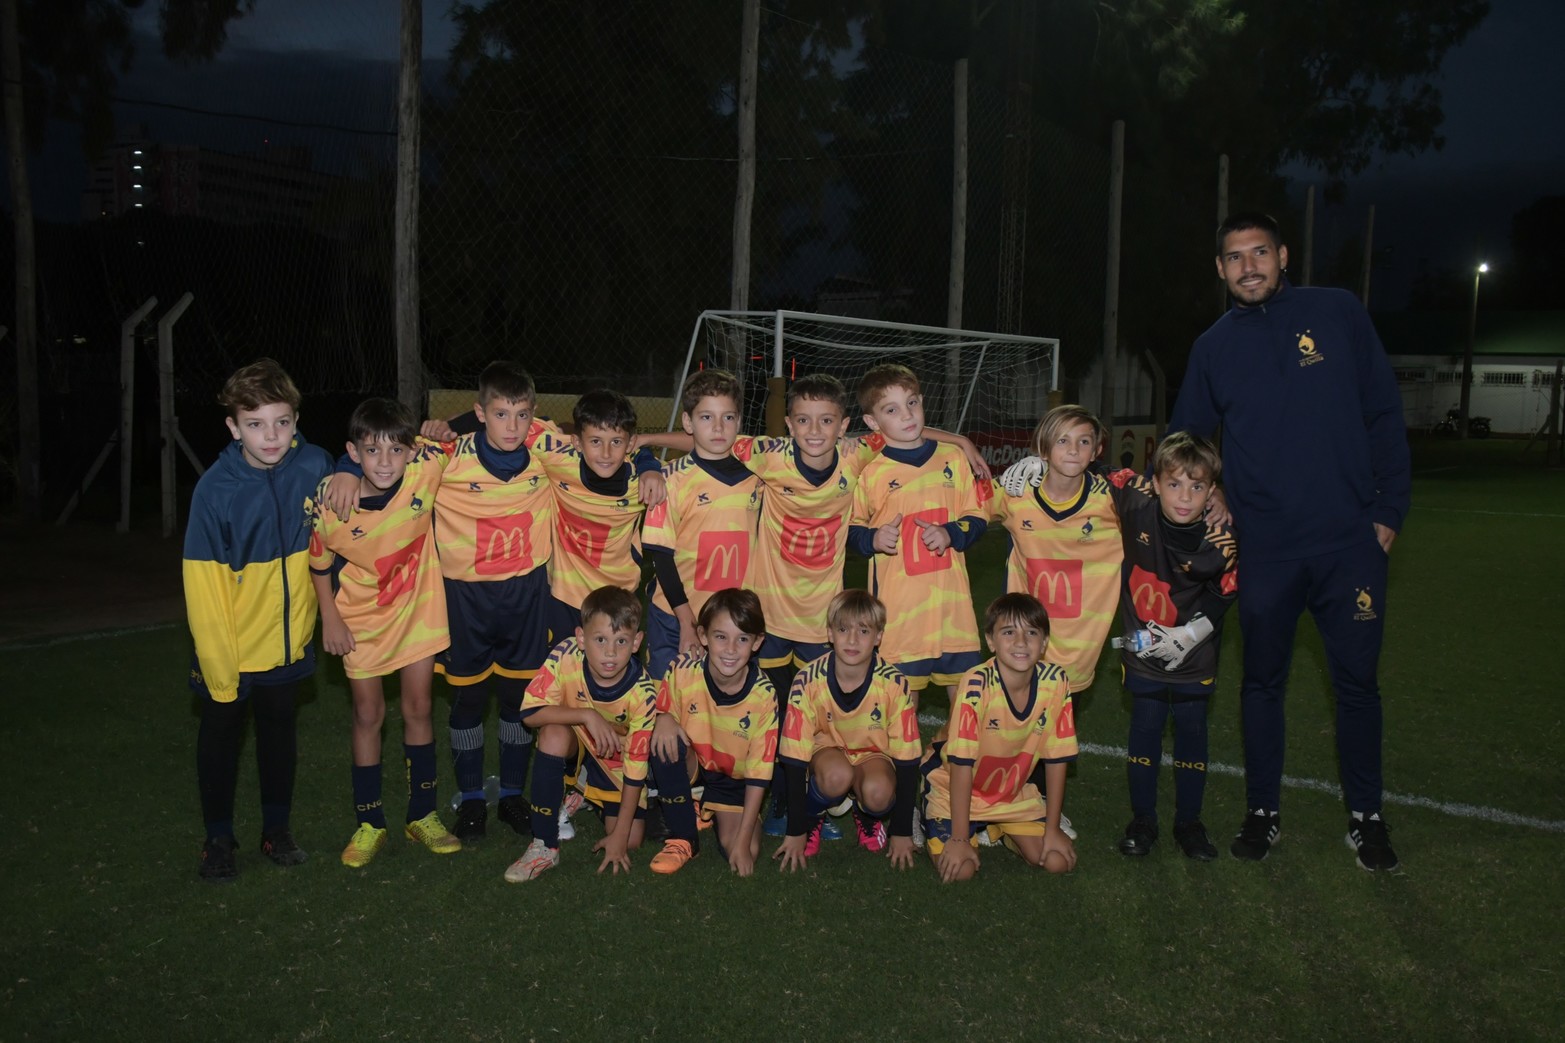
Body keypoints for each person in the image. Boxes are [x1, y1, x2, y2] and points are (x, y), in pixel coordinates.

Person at [1168, 210, 1410, 871]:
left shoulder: (1336, 313)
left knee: (1356, 684)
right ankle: (1261, 811)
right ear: (1220, 269)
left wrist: (1388, 508)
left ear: (1281, 256)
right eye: (1234, 257)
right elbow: (1183, 441)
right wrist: (1211, 491)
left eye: (1259, 252)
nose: (1249, 265)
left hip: (1347, 542)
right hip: (1266, 548)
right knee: (1261, 684)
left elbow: (1383, 411)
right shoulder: (1212, 345)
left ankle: (1366, 817)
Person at [184, 358, 332, 881]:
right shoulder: (215, 491)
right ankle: (218, 838)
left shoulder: (315, 465)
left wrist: (352, 480)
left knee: (277, 732)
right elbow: (203, 591)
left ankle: (277, 829)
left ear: (295, 419)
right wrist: (221, 671)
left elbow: (352, 488)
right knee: (222, 734)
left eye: (281, 422)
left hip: (288, 645)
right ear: (232, 427)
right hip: (231, 648)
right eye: (255, 424)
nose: (270, 436)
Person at [309, 398, 462, 868]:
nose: (385, 462)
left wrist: (442, 428)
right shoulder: (332, 500)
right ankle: (370, 821)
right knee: (368, 714)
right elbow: (318, 562)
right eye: (371, 451)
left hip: (419, 612)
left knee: (419, 708)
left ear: (411, 451)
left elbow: (471, 431)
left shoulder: (425, 468)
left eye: (396, 450)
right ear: (352, 453)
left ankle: (422, 815)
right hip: (361, 623)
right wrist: (329, 618)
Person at [1103, 432, 1238, 861]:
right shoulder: (1136, 497)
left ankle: (1189, 823)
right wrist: (1035, 471)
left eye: (1197, 487)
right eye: (1174, 484)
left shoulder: (1220, 542)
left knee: (1192, 735)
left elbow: (1224, 595)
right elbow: (1088, 467)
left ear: (1211, 492)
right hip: (1143, 655)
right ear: (1155, 482)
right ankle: (1143, 820)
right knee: (1144, 730)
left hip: (1193, 655)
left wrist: (1187, 636)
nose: (1185, 497)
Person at [848, 364, 990, 697]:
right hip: (900, 624)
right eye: (891, 410)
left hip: (954, 619)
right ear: (872, 422)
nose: (907, 415)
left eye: (912, 403)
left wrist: (951, 533)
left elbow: (978, 517)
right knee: (900, 713)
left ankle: (945, 748)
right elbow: (850, 530)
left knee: (968, 712)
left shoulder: (953, 458)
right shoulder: (868, 469)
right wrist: (872, 538)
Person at [503, 586, 660, 882]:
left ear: (637, 642)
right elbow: (529, 712)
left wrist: (619, 836)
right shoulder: (565, 654)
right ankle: (544, 845)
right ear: (580, 637)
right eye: (600, 640)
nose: (610, 652)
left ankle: (583, 792)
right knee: (552, 733)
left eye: (621, 641)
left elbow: (636, 770)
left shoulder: (643, 694)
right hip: (576, 744)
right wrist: (587, 715)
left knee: (629, 840)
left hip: (614, 762)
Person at [919, 593, 1078, 882]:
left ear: (1044, 643)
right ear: (991, 641)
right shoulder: (976, 684)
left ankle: (999, 827)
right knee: (962, 871)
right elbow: (961, 765)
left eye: (1031, 632)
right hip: (951, 789)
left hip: (1010, 794)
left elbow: (1057, 759)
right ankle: (933, 817)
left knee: (1057, 862)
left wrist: (1053, 828)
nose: (1021, 642)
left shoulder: (1056, 682)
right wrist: (958, 839)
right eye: (1009, 632)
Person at [772, 590, 922, 871]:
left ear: (878, 637)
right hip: (827, 754)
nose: (852, 640)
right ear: (830, 633)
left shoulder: (894, 684)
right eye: (843, 629)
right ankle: (813, 814)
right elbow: (792, 760)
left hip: (873, 755)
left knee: (878, 793)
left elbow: (908, 761)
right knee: (837, 775)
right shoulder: (807, 680)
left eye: (863, 631)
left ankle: (866, 816)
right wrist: (796, 829)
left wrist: (900, 830)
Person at [645, 588, 779, 876]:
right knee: (663, 738)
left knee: (746, 854)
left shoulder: (764, 696)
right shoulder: (682, 669)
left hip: (734, 780)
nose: (730, 649)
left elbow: (759, 775)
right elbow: (660, 715)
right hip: (696, 766)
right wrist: (664, 716)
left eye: (742, 639)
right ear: (703, 636)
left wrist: (742, 842)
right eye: (721, 637)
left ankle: (712, 809)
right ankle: (683, 837)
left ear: (757, 643)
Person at [991, 404, 1123, 693]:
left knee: (1059, 732)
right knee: (1009, 727)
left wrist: (1215, 497)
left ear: (1096, 450)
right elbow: (964, 502)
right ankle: (942, 741)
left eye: (1084, 441)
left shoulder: (1113, 501)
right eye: (1063, 440)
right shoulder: (1017, 493)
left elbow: (1170, 497)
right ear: (1044, 447)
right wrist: (999, 479)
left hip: (1079, 647)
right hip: (1022, 639)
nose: (1074, 449)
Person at [641, 369, 764, 678]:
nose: (719, 427)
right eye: (707, 418)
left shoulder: (760, 474)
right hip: (676, 615)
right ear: (688, 422)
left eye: (728, 418)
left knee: (727, 710)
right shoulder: (671, 480)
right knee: (665, 706)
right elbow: (662, 558)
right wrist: (686, 622)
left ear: (739, 421)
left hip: (735, 620)